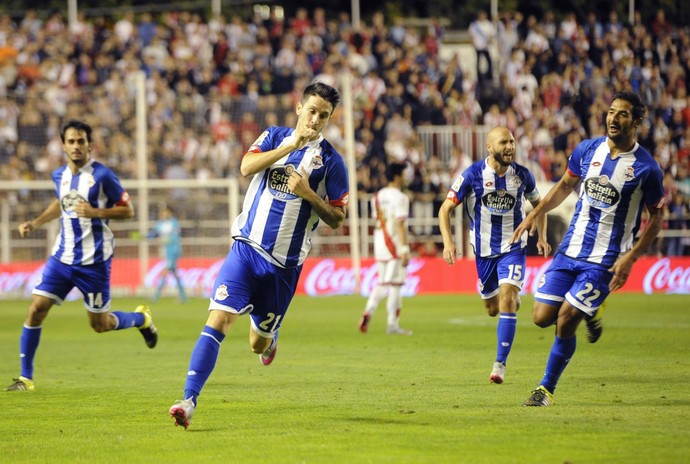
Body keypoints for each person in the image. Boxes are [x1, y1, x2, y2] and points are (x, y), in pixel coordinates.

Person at [169, 81, 348, 429]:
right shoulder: (273, 135)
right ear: (299, 107)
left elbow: (338, 219)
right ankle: (188, 400)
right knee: (218, 321)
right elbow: (246, 167)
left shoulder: (332, 162)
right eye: (311, 111)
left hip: (284, 267)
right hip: (246, 250)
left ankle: (269, 339)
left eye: (323, 116)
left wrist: (309, 194)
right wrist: (289, 147)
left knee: (257, 344)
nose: (315, 120)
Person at [511, 91, 665, 406]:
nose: (613, 118)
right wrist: (535, 214)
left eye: (622, 114)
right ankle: (589, 312)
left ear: (635, 122)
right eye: (611, 111)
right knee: (541, 317)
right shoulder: (588, 149)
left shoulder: (647, 169)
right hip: (570, 250)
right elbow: (566, 185)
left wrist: (631, 258)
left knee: (566, 318)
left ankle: (545, 389)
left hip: (605, 260)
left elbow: (657, 217)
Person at [5, 119, 157, 392]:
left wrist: (97, 212)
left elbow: (128, 210)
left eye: (81, 141)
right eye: (71, 141)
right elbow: (61, 202)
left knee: (100, 324)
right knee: (37, 308)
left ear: (90, 145)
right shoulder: (58, 175)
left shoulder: (103, 176)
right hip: (62, 258)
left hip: (94, 262)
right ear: (63, 145)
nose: (76, 146)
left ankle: (141, 319)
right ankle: (25, 378)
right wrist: (36, 222)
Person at [438, 127, 550, 385]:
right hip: (484, 251)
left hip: (513, 247)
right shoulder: (472, 175)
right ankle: (505, 297)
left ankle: (500, 363)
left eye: (512, 141)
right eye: (504, 143)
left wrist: (541, 236)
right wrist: (447, 241)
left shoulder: (522, 175)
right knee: (492, 309)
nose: (510, 147)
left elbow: (540, 206)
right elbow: (445, 209)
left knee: (507, 298)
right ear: (489, 147)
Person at [358, 162, 413, 336]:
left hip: (379, 242)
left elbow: (377, 218)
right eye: (403, 175)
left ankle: (393, 325)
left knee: (395, 284)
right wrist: (404, 248)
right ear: (397, 176)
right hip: (393, 243)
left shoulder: (378, 195)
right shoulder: (401, 197)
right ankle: (369, 311)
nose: (405, 178)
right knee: (386, 284)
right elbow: (400, 224)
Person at [148, 204, 187, 303]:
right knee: (175, 274)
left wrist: (169, 241)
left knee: (164, 273)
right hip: (166, 251)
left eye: (165, 211)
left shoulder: (174, 223)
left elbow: (176, 238)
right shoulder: (160, 224)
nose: (163, 214)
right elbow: (153, 234)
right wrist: (143, 236)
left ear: (169, 213)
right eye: (162, 212)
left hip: (173, 251)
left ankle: (156, 296)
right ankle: (183, 296)